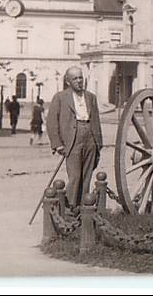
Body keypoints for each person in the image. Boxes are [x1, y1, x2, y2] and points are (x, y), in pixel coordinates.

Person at [47, 66, 103, 211]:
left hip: (90, 137)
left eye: (80, 77)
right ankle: (70, 207)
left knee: (87, 174)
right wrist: (57, 144)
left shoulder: (91, 97)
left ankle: (84, 207)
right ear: (68, 81)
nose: (79, 81)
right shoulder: (60, 97)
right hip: (72, 138)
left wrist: (99, 143)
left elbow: (96, 120)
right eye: (75, 78)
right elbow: (52, 121)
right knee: (75, 176)